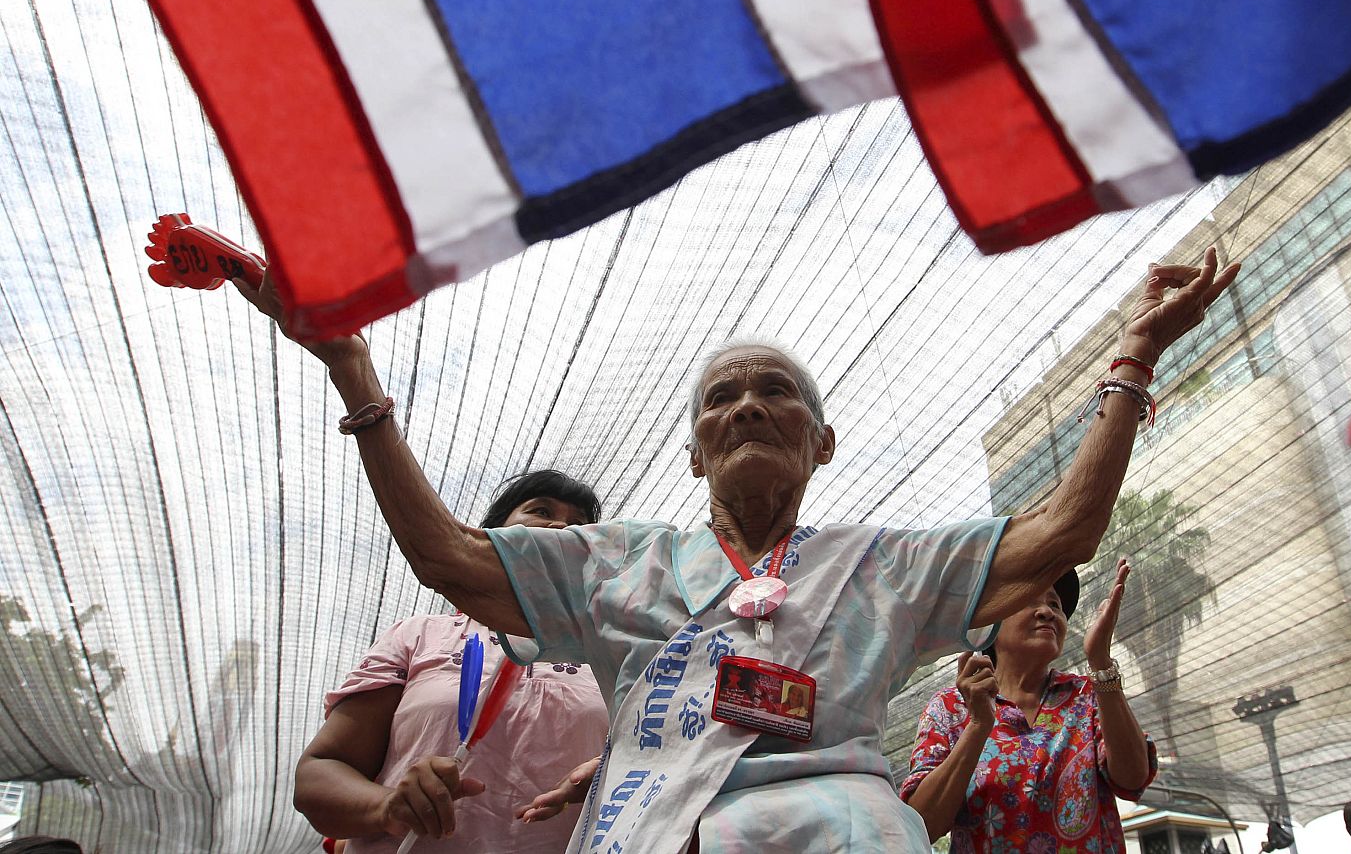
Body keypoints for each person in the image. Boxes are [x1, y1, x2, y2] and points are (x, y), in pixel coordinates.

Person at [235, 247, 1236, 852]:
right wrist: (355, 377)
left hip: (846, 828)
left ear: (822, 440)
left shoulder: (882, 559)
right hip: (667, 827)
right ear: (693, 448)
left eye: (775, 390)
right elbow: (449, 556)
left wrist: (1132, 360)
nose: (748, 403)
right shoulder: (617, 559)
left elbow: (1060, 533)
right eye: (721, 396)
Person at [293, 470, 610, 853]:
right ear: (489, 537)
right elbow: (319, 774)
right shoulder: (419, 635)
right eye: (540, 510)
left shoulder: (612, 652)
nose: (560, 525)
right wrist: (388, 806)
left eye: (579, 525)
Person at [900, 558, 1155, 851]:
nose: (1047, 612)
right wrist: (979, 725)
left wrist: (1101, 661)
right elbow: (923, 824)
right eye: (1028, 601)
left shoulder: (1088, 695)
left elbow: (1132, 779)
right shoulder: (951, 707)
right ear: (990, 626)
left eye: (1055, 605)